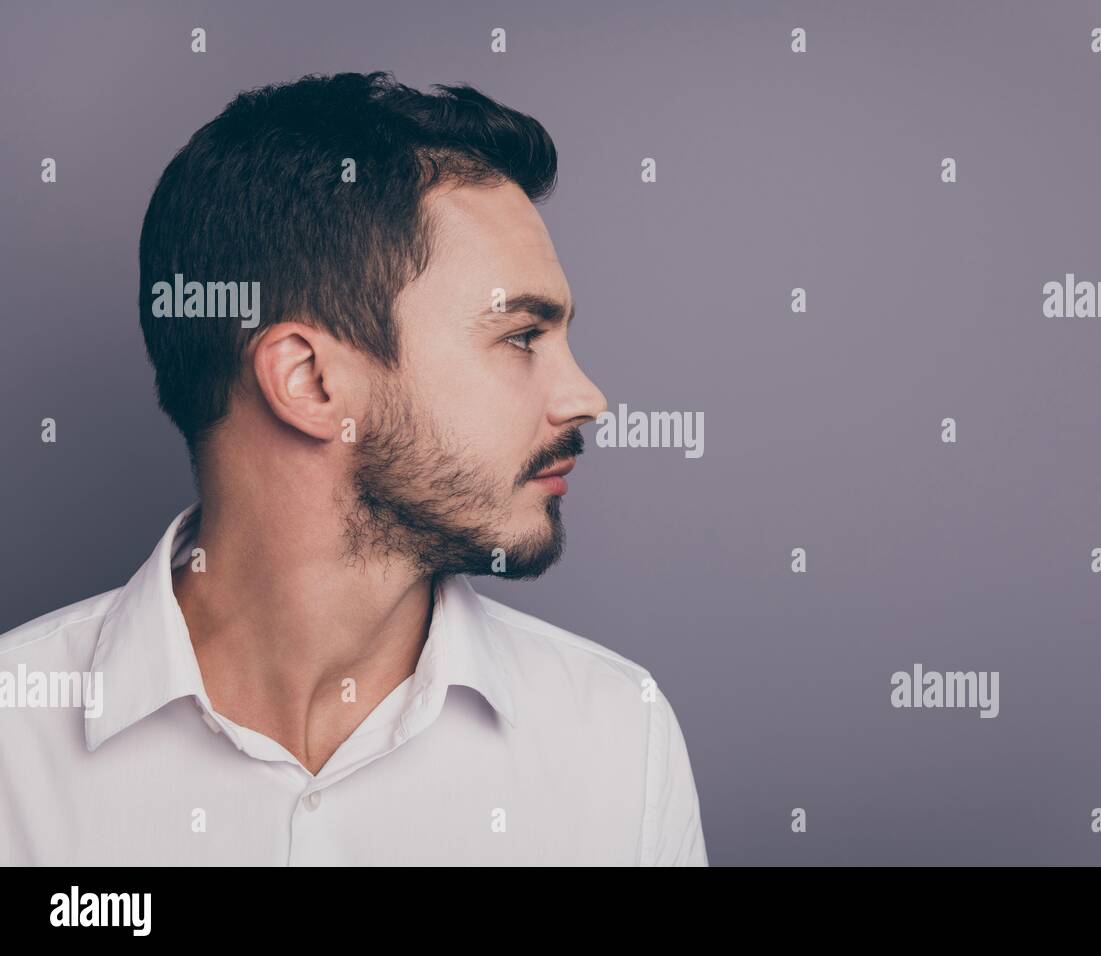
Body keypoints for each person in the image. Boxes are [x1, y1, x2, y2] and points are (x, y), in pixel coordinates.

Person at [0, 72, 707, 866]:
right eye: (520, 336)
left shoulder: (618, 739)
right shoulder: (13, 752)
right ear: (308, 381)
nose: (587, 398)